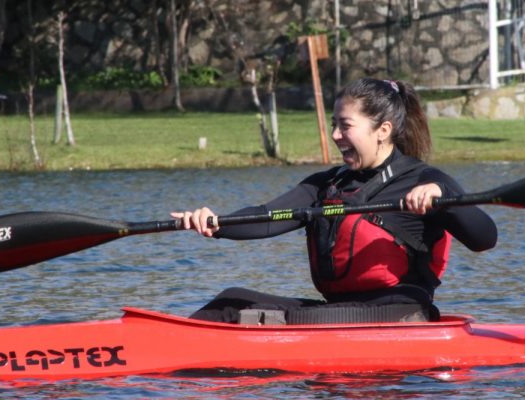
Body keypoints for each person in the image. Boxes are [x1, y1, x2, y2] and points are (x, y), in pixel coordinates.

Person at [172, 78, 497, 324]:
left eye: (346, 126)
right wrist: (217, 224)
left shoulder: (425, 180)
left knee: (298, 320)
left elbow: (485, 238)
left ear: (382, 130)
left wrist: (446, 200)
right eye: (334, 125)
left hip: (401, 315)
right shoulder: (326, 185)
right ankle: (166, 346)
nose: (336, 135)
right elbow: (268, 216)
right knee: (229, 303)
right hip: (342, 313)